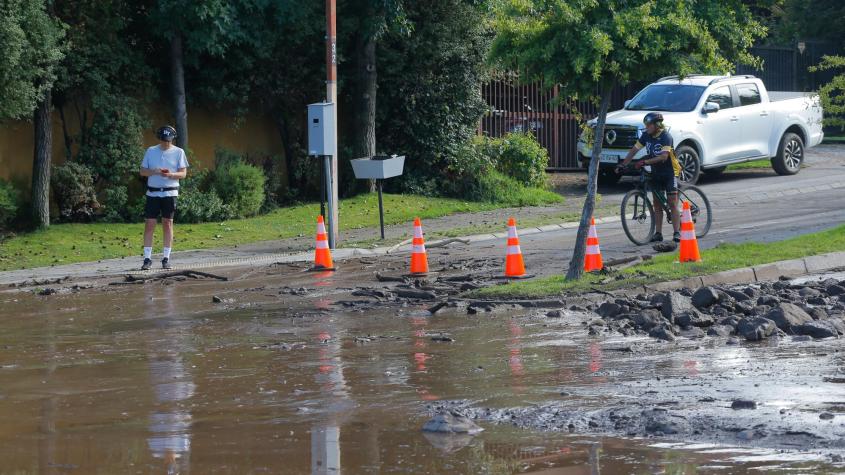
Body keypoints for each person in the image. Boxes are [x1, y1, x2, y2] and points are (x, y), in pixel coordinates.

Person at [616, 112, 682, 242]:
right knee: (657, 204)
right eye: (645, 125)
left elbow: (664, 157)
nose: (646, 128)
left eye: (649, 125)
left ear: (657, 125)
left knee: (672, 203)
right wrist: (624, 164)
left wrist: (645, 162)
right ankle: (658, 233)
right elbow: (634, 150)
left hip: (670, 172)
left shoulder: (666, 137)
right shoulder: (646, 136)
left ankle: (677, 232)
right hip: (656, 172)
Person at [139, 125, 188, 270]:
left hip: (170, 192)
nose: (166, 143)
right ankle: (147, 258)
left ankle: (166, 258)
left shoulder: (179, 152)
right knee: (150, 223)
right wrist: (154, 171)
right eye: (163, 140)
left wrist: (171, 175)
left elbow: (183, 173)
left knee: (168, 223)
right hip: (153, 193)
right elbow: (142, 171)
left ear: (172, 139)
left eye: (168, 140)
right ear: (160, 139)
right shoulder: (151, 151)